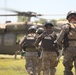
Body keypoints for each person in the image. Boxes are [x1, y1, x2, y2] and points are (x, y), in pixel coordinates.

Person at [56, 11, 76, 75]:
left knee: (67, 70)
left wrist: (62, 45)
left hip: (69, 50)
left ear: (68, 18)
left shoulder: (66, 26)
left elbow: (59, 40)